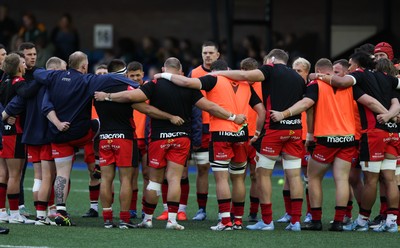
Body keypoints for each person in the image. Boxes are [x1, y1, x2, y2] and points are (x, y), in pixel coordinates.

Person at [94, 57, 246, 230]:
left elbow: (131, 97)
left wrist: (107, 96)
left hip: (159, 138)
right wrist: (232, 117)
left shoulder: (155, 84)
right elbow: (210, 107)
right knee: (174, 178)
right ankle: (172, 220)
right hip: (182, 137)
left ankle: (148, 219)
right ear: (180, 71)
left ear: (163, 69)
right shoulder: (187, 87)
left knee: (154, 181)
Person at [156, 59, 265, 231]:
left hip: (221, 134)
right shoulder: (245, 84)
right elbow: (261, 110)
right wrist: (257, 133)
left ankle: (225, 221)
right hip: (242, 135)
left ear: (213, 71)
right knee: (238, 179)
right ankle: (237, 220)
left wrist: (163, 74)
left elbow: (186, 82)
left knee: (221, 178)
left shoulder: (213, 78)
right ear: (228, 69)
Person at [33, 51, 139, 226]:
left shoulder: (53, 76)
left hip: (58, 133)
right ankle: (98, 162)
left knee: (61, 174)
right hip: (81, 133)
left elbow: (38, 73)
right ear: (83, 66)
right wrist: (133, 82)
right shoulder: (86, 79)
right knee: (100, 124)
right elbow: (112, 79)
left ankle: (60, 211)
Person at [211, 49, 306, 231]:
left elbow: (244, 75)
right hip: (295, 130)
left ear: (271, 59)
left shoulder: (269, 68)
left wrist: (219, 72)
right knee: (294, 176)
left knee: (263, 175)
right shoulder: (298, 77)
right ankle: (295, 222)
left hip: (274, 131)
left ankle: (268, 221)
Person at [270, 58, 359, 231]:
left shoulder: (316, 84)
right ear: (331, 71)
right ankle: (339, 222)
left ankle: (316, 220)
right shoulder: (348, 85)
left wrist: (284, 114)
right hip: (348, 138)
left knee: (313, 177)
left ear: (318, 70)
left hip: (326, 138)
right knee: (341, 179)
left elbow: (306, 104)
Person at [315, 52, 400, 232]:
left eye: (350, 65)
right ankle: (392, 221)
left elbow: (345, 86)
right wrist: (392, 116)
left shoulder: (358, 76)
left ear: (356, 64)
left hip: (374, 133)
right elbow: (396, 100)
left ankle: (362, 221)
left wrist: (318, 75)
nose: (349, 69)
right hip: (393, 133)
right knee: (390, 179)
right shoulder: (386, 77)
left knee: (370, 180)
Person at [95, 59, 184, 229]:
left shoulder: (97, 90)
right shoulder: (128, 90)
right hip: (125, 137)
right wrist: (170, 117)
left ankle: (107, 219)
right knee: (127, 179)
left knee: (106, 179)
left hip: (105, 137)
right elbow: (148, 109)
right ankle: (124, 218)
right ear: (123, 73)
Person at [3, 57, 67, 226]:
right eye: (63, 70)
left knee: (38, 177)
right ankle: (41, 215)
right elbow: (46, 107)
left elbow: (15, 103)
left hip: (29, 135)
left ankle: (40, 214)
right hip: (44, 135)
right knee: (46, 176)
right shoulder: (43, 86)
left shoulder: (27, 85)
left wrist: (4, 117)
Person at [0, 52, 35, 224]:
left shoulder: (2, 82)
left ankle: (1, 212)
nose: (25, 64)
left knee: (3, 174)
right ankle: (14, 213)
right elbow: (27, 95)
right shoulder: (19, 83)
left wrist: (4, 114)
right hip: (15, 132)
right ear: (18, 67)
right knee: (15, 175)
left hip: (3, 131)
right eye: (22, 62)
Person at [277, 57, 313, 224]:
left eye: (299, 71)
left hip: (307, 137)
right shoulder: (288, 88)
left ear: (307, 73)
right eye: (294, 70)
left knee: (308, 176)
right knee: (288, 174)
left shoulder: (311, 89)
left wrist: (310, 134)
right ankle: (289, 213)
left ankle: (310, 213)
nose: (296, 74)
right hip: (292, 135)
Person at [189, 41, 220, 221]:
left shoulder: (227, 72)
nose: (207, 56)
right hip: (203, 128)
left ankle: (228, 210)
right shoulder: (194, 73)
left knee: (225, 171)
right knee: (202, 168)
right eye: (204, 53)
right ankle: (201, 210)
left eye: (210, 53)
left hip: (222, 127)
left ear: (218, 55)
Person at [238, 57, 262, 223]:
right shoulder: (237, 84)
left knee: (255, 175)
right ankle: (235, 212)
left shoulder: (265, 85)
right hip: (239, 133)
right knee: (238, 175)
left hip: (257, 136)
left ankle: (253, 213)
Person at [126, 61, 147, 219]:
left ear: (143, 74)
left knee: (148, 175)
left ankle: (146, 209)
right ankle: (131, 208)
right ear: (126, 76)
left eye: (137, 75)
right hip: (131, 139)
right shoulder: (124, 90)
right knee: (131, 176)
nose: (135, 78)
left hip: (147, 139)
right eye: (132, 76)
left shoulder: (150, 89)